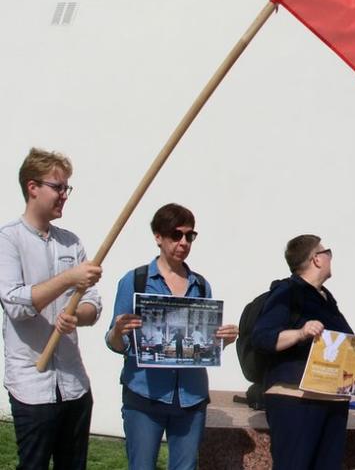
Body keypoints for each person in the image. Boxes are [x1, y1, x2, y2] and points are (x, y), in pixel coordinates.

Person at [105, 203, 239, 470]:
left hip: (191, 396)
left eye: (190, 236)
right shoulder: (135, 281)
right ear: (158, 236)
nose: (184, 242)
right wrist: (119, 331)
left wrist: (223, 340)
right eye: (176, 235)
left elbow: (202, 346)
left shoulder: (201, 285)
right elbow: (113, 343)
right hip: (144, 395)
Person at [0, 147, 103, 469]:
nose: (64, 195)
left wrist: (77, 315)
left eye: (66, 188)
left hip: (74, 384)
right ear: (33, 187)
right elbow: (15, 303)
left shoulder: (70, 242)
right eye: (58, 187)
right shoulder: (8, 240)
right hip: (32, 385)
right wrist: (69, 277)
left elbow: (93, 305)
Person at [251, 234, 355, 470]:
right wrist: (301, 333)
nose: (330, 257)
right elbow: (262, 337)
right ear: (316, 259)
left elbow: (343, 342)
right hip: (296, 401)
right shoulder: (287, 292)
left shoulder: (326, 298)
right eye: (327, 252)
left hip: (333, 399)